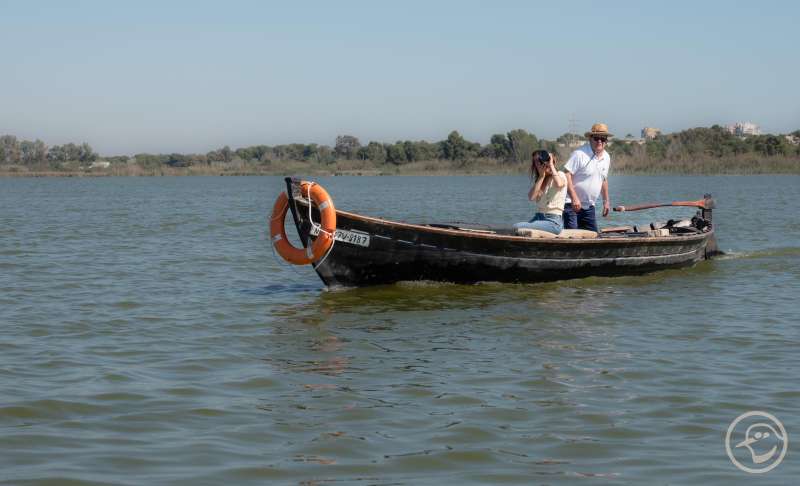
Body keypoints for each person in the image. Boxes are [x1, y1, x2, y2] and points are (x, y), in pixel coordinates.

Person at [562, 123, 612, 232]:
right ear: (590, 138)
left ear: (606, 141)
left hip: (589, 206)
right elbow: (566, 174)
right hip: (571, 204)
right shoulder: (579, 154)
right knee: (572, 237)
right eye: (596, 138)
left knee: (593, 236)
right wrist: (574, 198)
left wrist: (606, 201)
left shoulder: (607, 157)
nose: (600, 141)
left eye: (603, 139)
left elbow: (603, 179)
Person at [514, 150, 567, 235]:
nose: (539, 164)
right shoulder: (540, 180)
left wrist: (551, 165)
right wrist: (541, 177)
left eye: (540, 161)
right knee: (517, 228)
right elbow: (531, 197)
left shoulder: (560, 174)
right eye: (536, 162)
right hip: (539, 218)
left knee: (517, 226)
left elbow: (560, 184)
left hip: (553, 221)